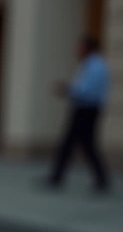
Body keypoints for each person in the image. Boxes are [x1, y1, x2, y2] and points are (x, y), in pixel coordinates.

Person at [44, 35, 110, 193]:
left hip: (87, 109)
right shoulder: (91, 64)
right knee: (82, 144)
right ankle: (99, 179)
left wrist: (67, 88)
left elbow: (86, 91)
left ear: (87, 47)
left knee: (74, 143)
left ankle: (58, 177)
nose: (77, 50)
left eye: (80, 46)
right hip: (85, 108)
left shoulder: (95, 66)